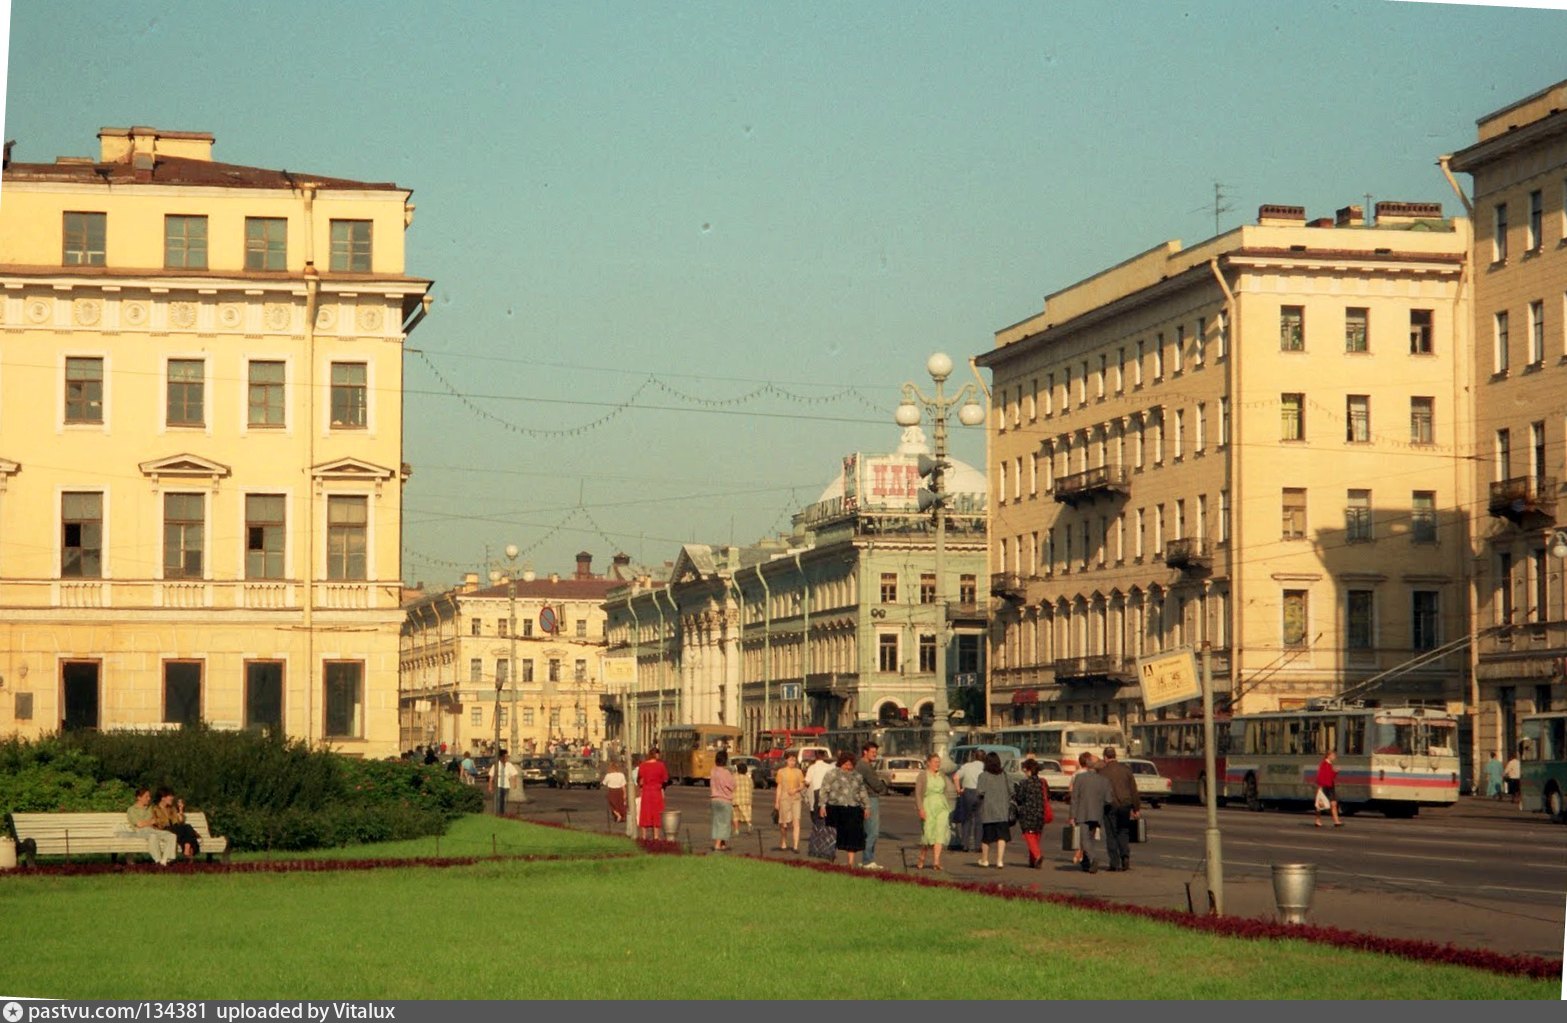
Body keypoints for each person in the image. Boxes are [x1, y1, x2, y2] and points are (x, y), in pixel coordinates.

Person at [818, 751, 870, 868]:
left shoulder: (857, 776)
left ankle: (850, 862)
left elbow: (862, 792)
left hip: (853, 809)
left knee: (852, 836)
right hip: (835, 808)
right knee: (833, 835)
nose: (848, 767)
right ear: (841, 763)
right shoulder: (832, 774)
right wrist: (822, 805)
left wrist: (867, 806)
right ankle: (831, 859)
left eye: (850, 765)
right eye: (846, 764)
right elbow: (824, 790)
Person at [1097, 747, 1140, 871]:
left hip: (1109, 806)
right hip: (1125, 805)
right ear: (1115, 756)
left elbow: (1099, 793)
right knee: (1123, 832)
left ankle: (1114, 863)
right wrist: (1136, 808)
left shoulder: (1102, 772)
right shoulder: (1126, 770)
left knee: (1111, 834)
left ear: (1105, 757)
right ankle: (1125, 856)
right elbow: (1134, 790)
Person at [1068, 751, 1112, 873]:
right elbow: (1108, 800)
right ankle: (1086, 863)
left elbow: (1074, 798)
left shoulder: (1080, 778)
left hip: (1082, 814)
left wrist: (1072, 816)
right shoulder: (1104, 781)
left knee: (1084, 839)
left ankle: (1093, 859)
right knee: (1090, 839)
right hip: (1097, 815)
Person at [914, 753, 957, 870]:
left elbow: (945, 790)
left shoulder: (941, 774)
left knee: (940, 832)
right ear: (928, 762)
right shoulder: (923, 775)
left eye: (939, 762)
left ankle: (936, 861)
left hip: (941, 806)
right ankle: (922, 856)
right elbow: (918, 793)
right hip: (928, 805)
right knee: (928, 833)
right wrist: (920, 808)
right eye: (935, 762)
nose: (937, 764)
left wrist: (947, 802)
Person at [853, 742, 891, 870]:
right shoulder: (864, 766)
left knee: (867, 831)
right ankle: (867, 860)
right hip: (870, 799)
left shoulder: (861, 764)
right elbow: (875, 784)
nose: (875, 754)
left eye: (876, 752)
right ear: (865, 752)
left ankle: (867, 860)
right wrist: (883, 786)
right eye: (873, 752)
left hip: (863, 799)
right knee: (873, 832)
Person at [974, 751, 1015, 868]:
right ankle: (999, 860)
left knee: (986, 837)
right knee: (1001, 837)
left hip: (988, 811)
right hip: (1002, 811)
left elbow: (980, 792)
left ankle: (985, 859)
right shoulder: (1004, 775)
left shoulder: (983, 776)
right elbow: (1012, 790)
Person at [1011, 758, 1054, 869]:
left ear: (1028, 770)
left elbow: (1019, 799)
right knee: (1036, 836)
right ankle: (1033, 860)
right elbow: (1048, 796)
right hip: (1040, 812)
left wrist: (1016, 791)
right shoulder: (1043, 782)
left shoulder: (1024, 783)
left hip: (1027, 812)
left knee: (1029, 835)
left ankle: (1038, 856)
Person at [122, 787, 177, 866]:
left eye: (149, 796)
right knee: (153, 836)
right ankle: (158, 861)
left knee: (172, 836)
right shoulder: (132, 810)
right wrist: (150, 822)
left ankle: (165, 860)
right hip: (140, 831)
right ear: (139, 798)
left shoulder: (150, 808)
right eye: (146, 796)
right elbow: (139, 825)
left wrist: (149, 822)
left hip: (152, 830)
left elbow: (156, 820)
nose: (149, 798)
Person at [152, 788, 202, 859]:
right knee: (188, 828)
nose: (172, 798)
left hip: (175, 830)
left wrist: (181, 810)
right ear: (163, 798)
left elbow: (179, 822)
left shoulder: (172, 808)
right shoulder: (154, 809)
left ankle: (186, 849)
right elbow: (155, 823)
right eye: (170, 796)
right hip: (164, 830)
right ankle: (188, 849)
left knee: (184, 833)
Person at [773, 752, 806, 852]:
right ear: (786, 760)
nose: (792, 762)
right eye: (791, 760)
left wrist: (795, 790)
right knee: (784, 823)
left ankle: (795, 846)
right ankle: (783, 841)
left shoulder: (799, 772)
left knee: (796, 822)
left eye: (794, 760)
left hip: (796, 799)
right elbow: (779, 787)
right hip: (784, 799)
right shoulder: (781, 772)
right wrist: (777, 802)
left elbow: (802, 785)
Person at [954, 749, 985, 852]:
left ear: (974, 757)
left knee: (967, 819)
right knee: (979, 820)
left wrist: (959, 789)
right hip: (980, 793)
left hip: (967, 793)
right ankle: (978, 845)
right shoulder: (985, 767)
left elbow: (956, 777)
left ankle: (965, 844)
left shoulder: (967, 766)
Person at [636, 748, 670, 840]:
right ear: (657, 755)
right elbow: (665, 780)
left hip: (646, 791)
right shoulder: (661, 765)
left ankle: (643, 836)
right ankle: (656, 836)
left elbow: (640, 780)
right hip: (657, 791)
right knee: (657, 814)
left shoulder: (643, 765)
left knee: (645, 813)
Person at [709, 751, 736, 852]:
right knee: (724, 823)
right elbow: (732, 786)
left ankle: (723, 844)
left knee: (717, 822)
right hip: (725, 800)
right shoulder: (726, 773)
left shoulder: (713, 771)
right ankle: (717, 845)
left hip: (714, 799)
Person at [488, 749, 523, 816]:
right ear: (501, 757)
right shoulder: (496, 765)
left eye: (507, 756)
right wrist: (490, 786)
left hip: (506, 786)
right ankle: (497, 813)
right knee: (498, 800)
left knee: (504, 801)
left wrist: (514, 782)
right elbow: (491, 776)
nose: (506, 758)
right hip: (498, 785)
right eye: (505, 756)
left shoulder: (509, 765)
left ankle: (502, 813)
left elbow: (514, 774)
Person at [1314, 749, 1342, 827]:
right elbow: (1320, 776)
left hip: (1330, 785)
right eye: (1333, 755)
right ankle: (1317, 820)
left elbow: (1330, 777)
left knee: (1333, 803)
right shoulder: (1324, 764)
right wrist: (1320, 786)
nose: (1334, 757)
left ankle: (1336, 821)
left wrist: (1335, 772)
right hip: (1324, 786)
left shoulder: (1329, 764)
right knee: (1320, 804)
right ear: (1328, 756)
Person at [804, 751, 834, 815]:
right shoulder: (829, 767)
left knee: (817, 808)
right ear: (824, 757)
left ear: (815, 757)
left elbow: (807, 782)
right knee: (827, 807)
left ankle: (818, 823)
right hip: (827, 790)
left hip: (816, 790)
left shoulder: (811, 768)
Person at [733, 761, 754, 833]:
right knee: (747, 814)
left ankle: (736, 830)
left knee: (735, 815)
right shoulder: (749, 779)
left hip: (736, 798)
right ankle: (749, 824)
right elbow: (751, 788)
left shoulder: (734, 777)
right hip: (747, 799)